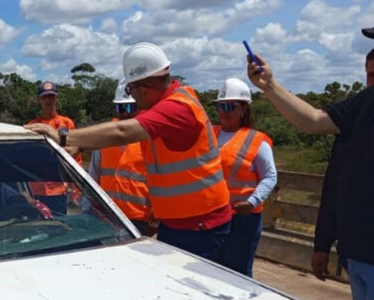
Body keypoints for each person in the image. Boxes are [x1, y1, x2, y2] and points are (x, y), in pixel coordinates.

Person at [26, 42, 232, 261]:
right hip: (182, 221)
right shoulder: (168, 104)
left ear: (144, 87)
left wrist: (63, 136)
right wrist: (82, 145)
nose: (132, 96)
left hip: (200, 224)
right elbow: (117, 137)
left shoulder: (177, 108)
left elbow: (122, 132)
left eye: (130, 89)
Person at [245, 47, 374, 300]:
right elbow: (336, 185)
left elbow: (313, 121)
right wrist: (322, 245)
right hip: (358, 255)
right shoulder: (361, 112)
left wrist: (269, 85)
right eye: (370, 76)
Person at [212, 78, 277, 277]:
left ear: (244, 109)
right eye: (220, 106)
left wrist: (252, 202)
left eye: (230, 106)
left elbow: (270, 176)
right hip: (213, 215)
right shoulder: (210, 134)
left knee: (238, 272)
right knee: (211, 269)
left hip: (243, 218)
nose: (224, 112)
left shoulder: (256, 140)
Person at [88, 82, 154, 236]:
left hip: (138, 216)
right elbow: (93, 177)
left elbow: (160, 180)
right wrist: (90, 209)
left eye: (129, 108)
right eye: (120, 108)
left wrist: (156, 212)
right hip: (106, 215)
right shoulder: (105, 136)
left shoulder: (150, 137)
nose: (125, 113)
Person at [27, 81, 81, 212]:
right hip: (37, 189)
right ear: (39, 99)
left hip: (58, 189)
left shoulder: (66, 124)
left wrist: (76, 190)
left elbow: (76, 158)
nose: (48, 100)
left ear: (56, 98)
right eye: (44, 97)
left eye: (51, 96)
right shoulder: (33, 126)